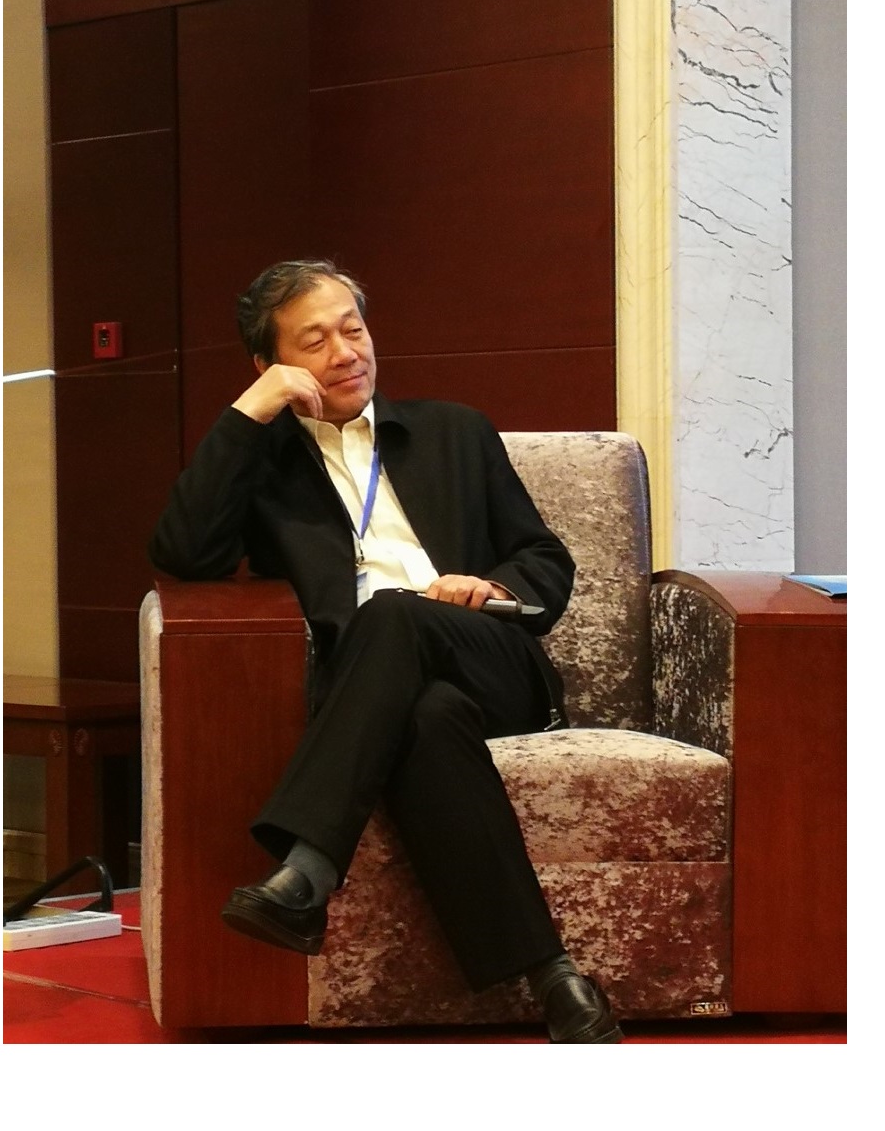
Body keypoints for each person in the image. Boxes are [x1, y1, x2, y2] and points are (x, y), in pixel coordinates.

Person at [149, 259, 622, 1044]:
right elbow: (183, 555)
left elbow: (546, 561)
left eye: (354, 329)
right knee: (427, 717)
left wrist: (488, 586)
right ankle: (554, 977)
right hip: (383, 692)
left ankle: (308, 867)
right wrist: (249, 414)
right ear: (270, 366)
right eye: (314, 342)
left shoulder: (454, 431)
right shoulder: (265, 468)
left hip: (491, 659)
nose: (346, 352)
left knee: (398, 614)